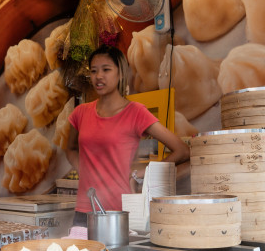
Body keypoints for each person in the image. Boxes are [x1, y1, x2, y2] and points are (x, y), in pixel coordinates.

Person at [64, 45, 190, 228]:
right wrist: (82, 168)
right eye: (93, 71)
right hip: (84, 212)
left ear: (120, 74)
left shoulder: (136, 112)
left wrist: (145, 173)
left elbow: (182, 151)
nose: (99, 76)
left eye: (106, 70)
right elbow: (70, 149)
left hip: (119, 212)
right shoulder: (80, 113)